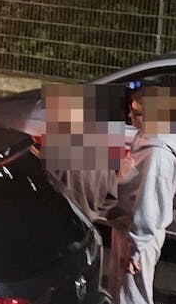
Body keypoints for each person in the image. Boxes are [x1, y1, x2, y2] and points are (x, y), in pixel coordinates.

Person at [104, 86, 176, 304]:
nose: (130, 115)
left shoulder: (158, 155)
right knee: (124, 296)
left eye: (136, 112)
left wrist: (136, 250)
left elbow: (149, 206)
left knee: (134, 302)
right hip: (128, 231)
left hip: (137, 236)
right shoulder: (148, 139)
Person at [42, 83, 119, 228]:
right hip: (86, 224)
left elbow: (44, 184)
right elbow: (111, 199)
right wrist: (92, 212)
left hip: (58, 221)